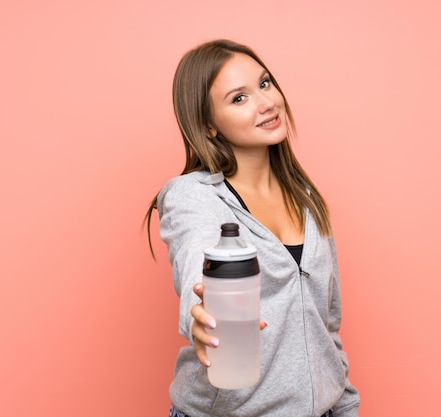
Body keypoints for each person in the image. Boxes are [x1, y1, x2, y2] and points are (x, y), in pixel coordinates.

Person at [145, 39, 360, 417]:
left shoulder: (307, 198)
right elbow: (198, 260)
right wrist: (204, 313)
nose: (266, 103)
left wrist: (345, 406)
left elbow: (327, 325)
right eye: (238, 98)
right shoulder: (193, 197)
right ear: (209, 125)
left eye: (264, 84)